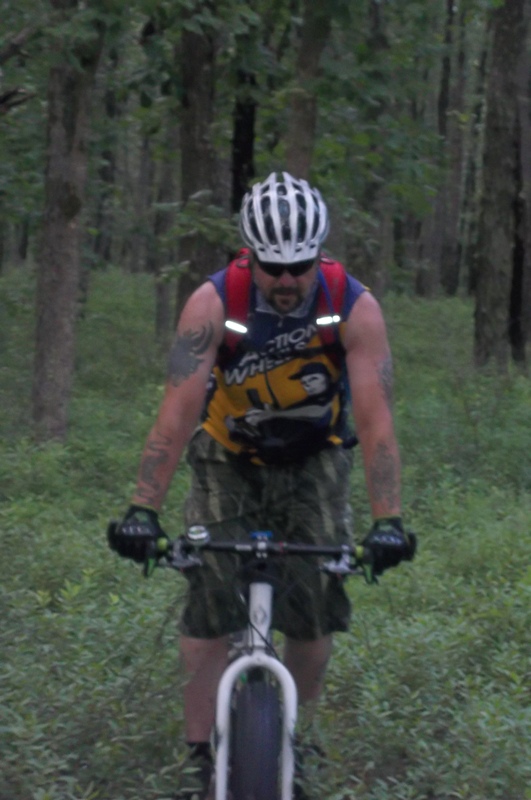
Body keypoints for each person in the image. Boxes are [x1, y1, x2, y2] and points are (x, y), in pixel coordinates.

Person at [108, 171, 415, 799]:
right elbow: (177, 411)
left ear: (319, 254)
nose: (287, 280)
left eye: (300, 266)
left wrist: (388, 520)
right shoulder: (213, 304)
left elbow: (376, 420)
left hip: (316, 456)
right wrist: (142, 508)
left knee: (315, 602)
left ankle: (296, 742)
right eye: (273, 267)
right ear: (250, 255)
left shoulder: (353, 306)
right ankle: (199, 759)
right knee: (208, 596)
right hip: (228, 454)